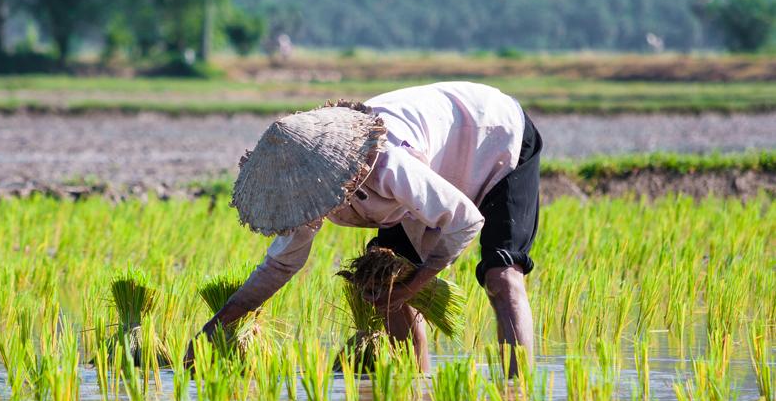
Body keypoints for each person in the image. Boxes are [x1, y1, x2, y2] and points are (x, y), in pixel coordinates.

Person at [187, 82, 542, 374]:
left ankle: (516, 397)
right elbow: (280, 265)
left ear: (338, 172)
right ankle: (414, 387)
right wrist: (217, 325)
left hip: (494, 135)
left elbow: (465, 221)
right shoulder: (307, 190)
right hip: (436, 162)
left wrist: (419, 282)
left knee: (502, 275)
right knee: (382, 280)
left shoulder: (388, 164)